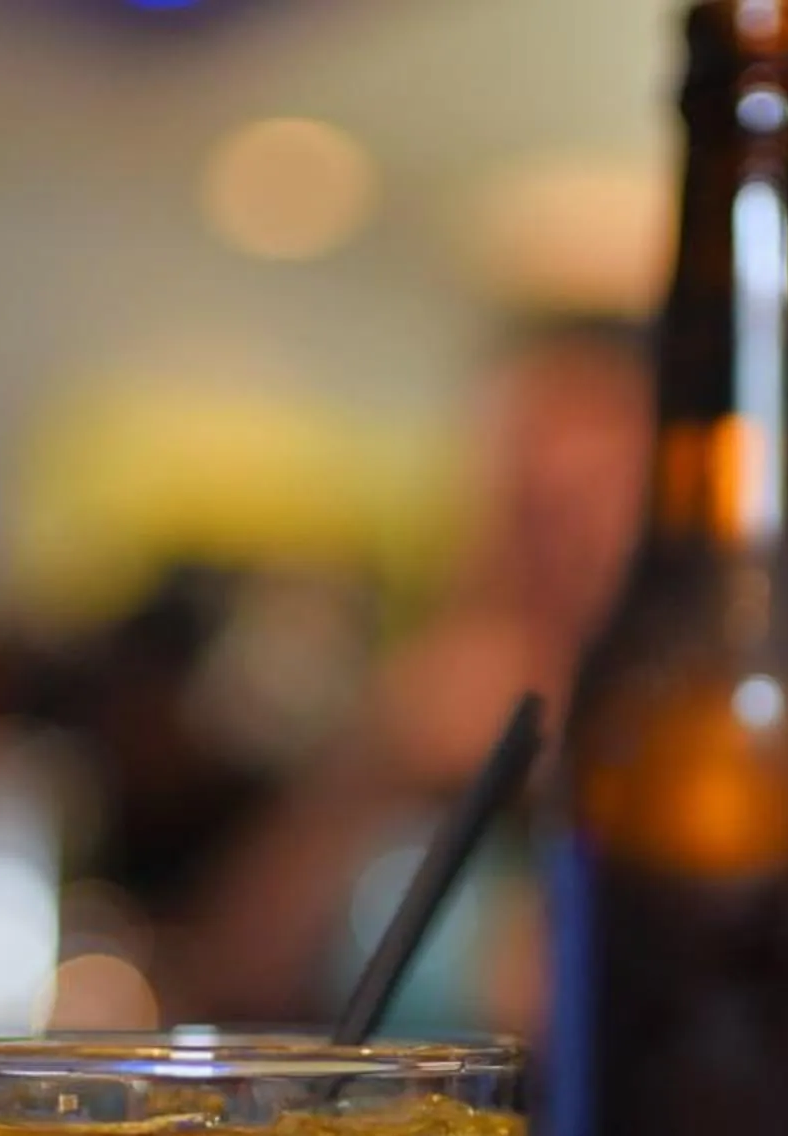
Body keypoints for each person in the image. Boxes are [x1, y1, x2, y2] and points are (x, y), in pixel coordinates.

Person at [169, 322, 651, 1032]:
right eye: (523, 498)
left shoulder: (686, 736)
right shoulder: (426, 694)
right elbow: (228, 979)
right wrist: (378, 757)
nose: (550, 541)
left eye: (582, 499)